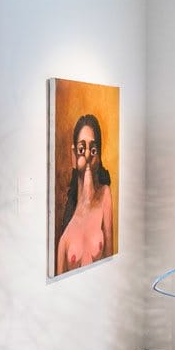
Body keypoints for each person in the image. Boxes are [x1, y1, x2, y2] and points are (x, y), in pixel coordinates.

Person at [54, 113, 114, 275]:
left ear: (99, 155)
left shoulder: (105, 196)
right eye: (82, 149)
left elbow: (111, 258)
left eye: (93, 149)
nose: (87, 155)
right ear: (74, 155)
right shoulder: (64, 241)